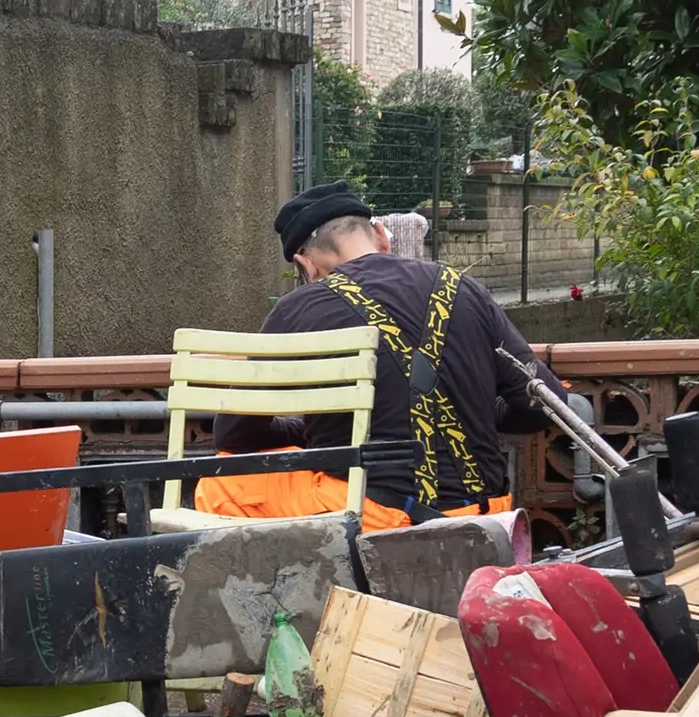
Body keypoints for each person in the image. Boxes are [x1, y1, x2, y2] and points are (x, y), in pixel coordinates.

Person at [198, 183, 555, 526]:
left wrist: (306, 431)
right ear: (382, 235)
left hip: (377, 516)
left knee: (220, 482)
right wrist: (469, 409)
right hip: (487, 513)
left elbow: (233, 435)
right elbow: (543, 405)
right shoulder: (464, 287)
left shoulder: (299, 308)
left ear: (305, 265)